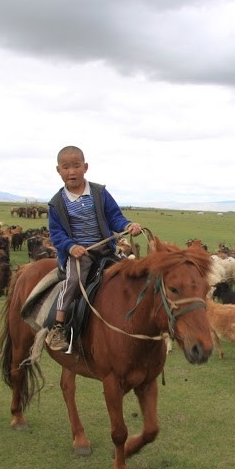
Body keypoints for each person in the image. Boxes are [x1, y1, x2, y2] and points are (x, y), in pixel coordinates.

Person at [45, 145, 142, 353]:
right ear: (58, 170)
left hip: (106, 250)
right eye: (66, 167)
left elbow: (114, 216)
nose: (72, 171)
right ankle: (58, 327)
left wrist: (127, 226)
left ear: (85, 167)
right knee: (72, 282)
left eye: (76, 166)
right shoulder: (57, 203)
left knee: (134, 275)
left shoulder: (99, 192)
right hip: (81, 255)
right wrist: (71, 247)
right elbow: (57, 233)